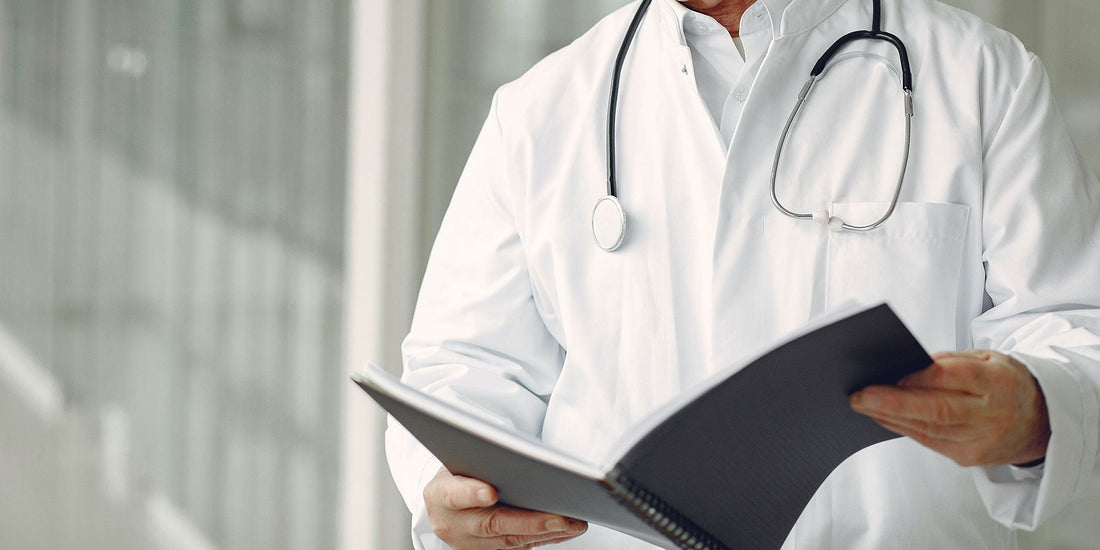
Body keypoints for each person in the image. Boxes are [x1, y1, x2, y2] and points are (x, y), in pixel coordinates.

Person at [386, 0, 1100, 548]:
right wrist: (445, 487)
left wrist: (1036, 408)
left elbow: (1076, 326)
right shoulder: (540, 109)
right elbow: (463, 368)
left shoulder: (983, 76)